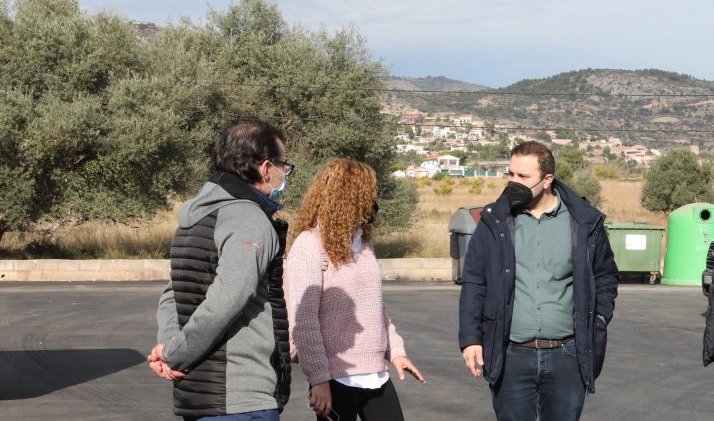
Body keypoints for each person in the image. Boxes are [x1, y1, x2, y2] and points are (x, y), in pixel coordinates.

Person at [459, 141, 619, 421]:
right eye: (510, 174)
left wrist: (600, 319)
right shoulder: (494, 221)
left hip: (568, 356)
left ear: (547, 180)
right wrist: (471, 338)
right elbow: (474, 282)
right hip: (511, 356)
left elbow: (605, 275)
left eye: (523, 177)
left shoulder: (583, 223)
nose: (513, 183)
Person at [148, 117, 293, 421]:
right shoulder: (248, 219)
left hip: (199, 393)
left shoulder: (195, 217)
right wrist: (174, 353)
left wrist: (170, 348)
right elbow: (226, 301)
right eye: (284, 166)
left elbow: (173, 292)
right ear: (266, 169)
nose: (284, 175)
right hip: (241, 399)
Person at [286, 158, 425, 421]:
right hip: (336, 377)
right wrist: (319, 379)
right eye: (367, 194)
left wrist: (396, 351)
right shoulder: (309, 246)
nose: (372, 202)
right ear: (348, 198)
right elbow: (303, 321)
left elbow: (376, 308)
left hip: (376, 374)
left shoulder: (364, 244)